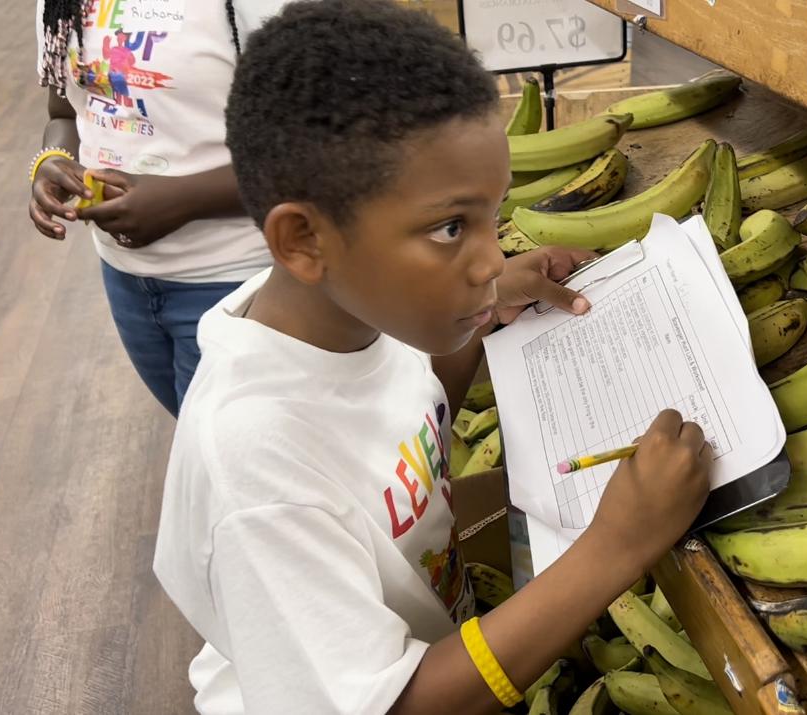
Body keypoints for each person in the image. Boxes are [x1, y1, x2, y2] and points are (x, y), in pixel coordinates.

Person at [151, 1, 713, 713]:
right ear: (303, 241)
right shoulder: (256, 465)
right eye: (451, 228)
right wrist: (616, 545)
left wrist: (482, 317)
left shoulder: (351, 312)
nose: (490, 258)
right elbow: (398, 702)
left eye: (493, 215)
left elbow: (406, 419)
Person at [29, 0, 286, 416]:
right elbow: (65, 110)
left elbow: (319, 146)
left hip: (243, 282)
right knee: (194, 436)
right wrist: (52, 161)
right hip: (125, 280)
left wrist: (184, 201)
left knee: (220, 460)